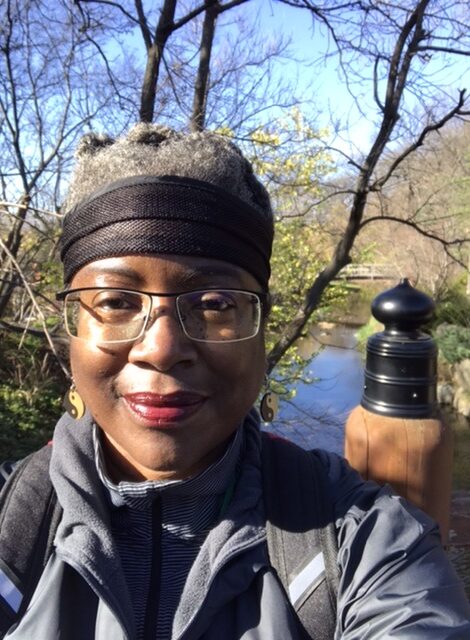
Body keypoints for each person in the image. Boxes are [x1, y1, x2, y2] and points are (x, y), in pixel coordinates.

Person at [1, 123, 469, 639]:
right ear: (73, 333)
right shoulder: (11, 526)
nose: (161, 349)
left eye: (216, 304)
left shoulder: (364, 538)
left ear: (262, 335)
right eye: (115, 302)